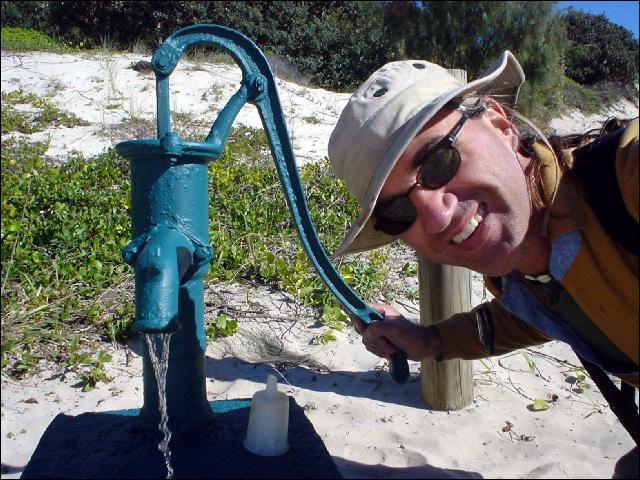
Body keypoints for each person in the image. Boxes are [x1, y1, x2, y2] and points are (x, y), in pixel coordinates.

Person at [327, 51, 638, 478]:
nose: (436, 217)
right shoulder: (521, 263)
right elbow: (544, 310)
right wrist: (429, 341)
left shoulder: (626, 176)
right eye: (399, 212)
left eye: (438, 161)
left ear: (499, 124)